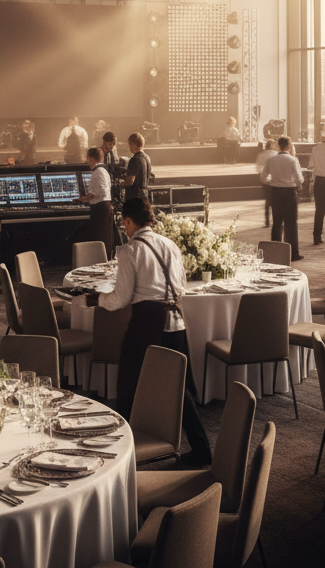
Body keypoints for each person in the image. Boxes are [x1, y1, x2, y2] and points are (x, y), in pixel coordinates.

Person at [86, 197, 212, 465]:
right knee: (179, 386)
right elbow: (182, 287)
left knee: (128, 385)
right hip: (176, 321)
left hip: (147, 323)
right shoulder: (170, 245)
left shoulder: (130, 251)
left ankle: (120, 454)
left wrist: (96, 299)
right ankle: (202, 449)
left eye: (124, 223)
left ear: (129, 221)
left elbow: (120, 298)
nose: (124, 227)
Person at [260, 136, 305, 259]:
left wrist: (273, 182)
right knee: (291, 224)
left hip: (276, 192)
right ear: (289, 146)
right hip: (290, 192)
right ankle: (293, 253)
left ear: (278, 145)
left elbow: (263, 177)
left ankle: (275, 252)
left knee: (277, 222)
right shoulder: (293, 160)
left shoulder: (271, 160)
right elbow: (300, 179)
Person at [78, 147, 116, 259]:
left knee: (100, 237)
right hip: (106, 207)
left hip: (101, 209)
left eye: (87, 158)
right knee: (106, 237)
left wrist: (82, 199)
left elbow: (97, 193)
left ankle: (100, 260)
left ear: (91, 158)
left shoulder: (97, 172)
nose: (86, 161)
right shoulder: (104, 170)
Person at [255, 140, 277, 229]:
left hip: (265, 181)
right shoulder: (276, 154)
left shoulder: (261, 155)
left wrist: (263, 177)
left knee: (267, 202)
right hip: (275, 180)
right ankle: (276, 219)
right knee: (276, 202)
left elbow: (258, 168)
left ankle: (267, 220)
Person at [124, 133, 152, 201]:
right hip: (144, 194)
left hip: (134, 197)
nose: (129, 147)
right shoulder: (147, 158)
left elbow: (130, 181)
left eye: (129, 144)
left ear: (133, 144)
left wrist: (120, 184)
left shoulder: (134, 159)